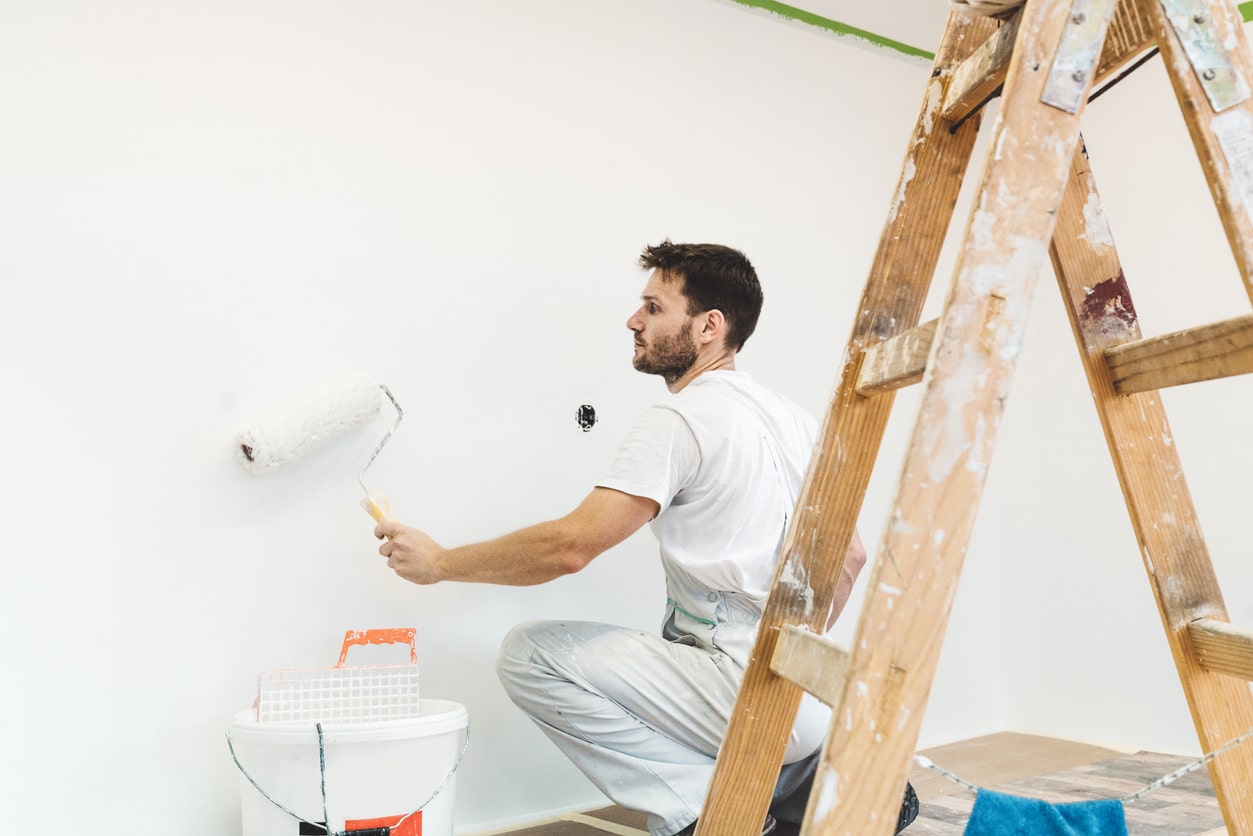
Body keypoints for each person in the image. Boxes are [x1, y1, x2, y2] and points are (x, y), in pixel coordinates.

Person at [374, 241, 908, 835]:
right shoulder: (794, 418)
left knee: (530, 655)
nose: (634, 320)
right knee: (672, 666)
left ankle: (709, 816)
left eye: (653, 307)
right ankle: (803, 780)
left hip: (736, 688)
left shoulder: (681, 419)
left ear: (709, 326)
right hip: (804, 696)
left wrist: (442, 562)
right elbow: (851, 557)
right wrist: (790, 658)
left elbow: (570, 547)